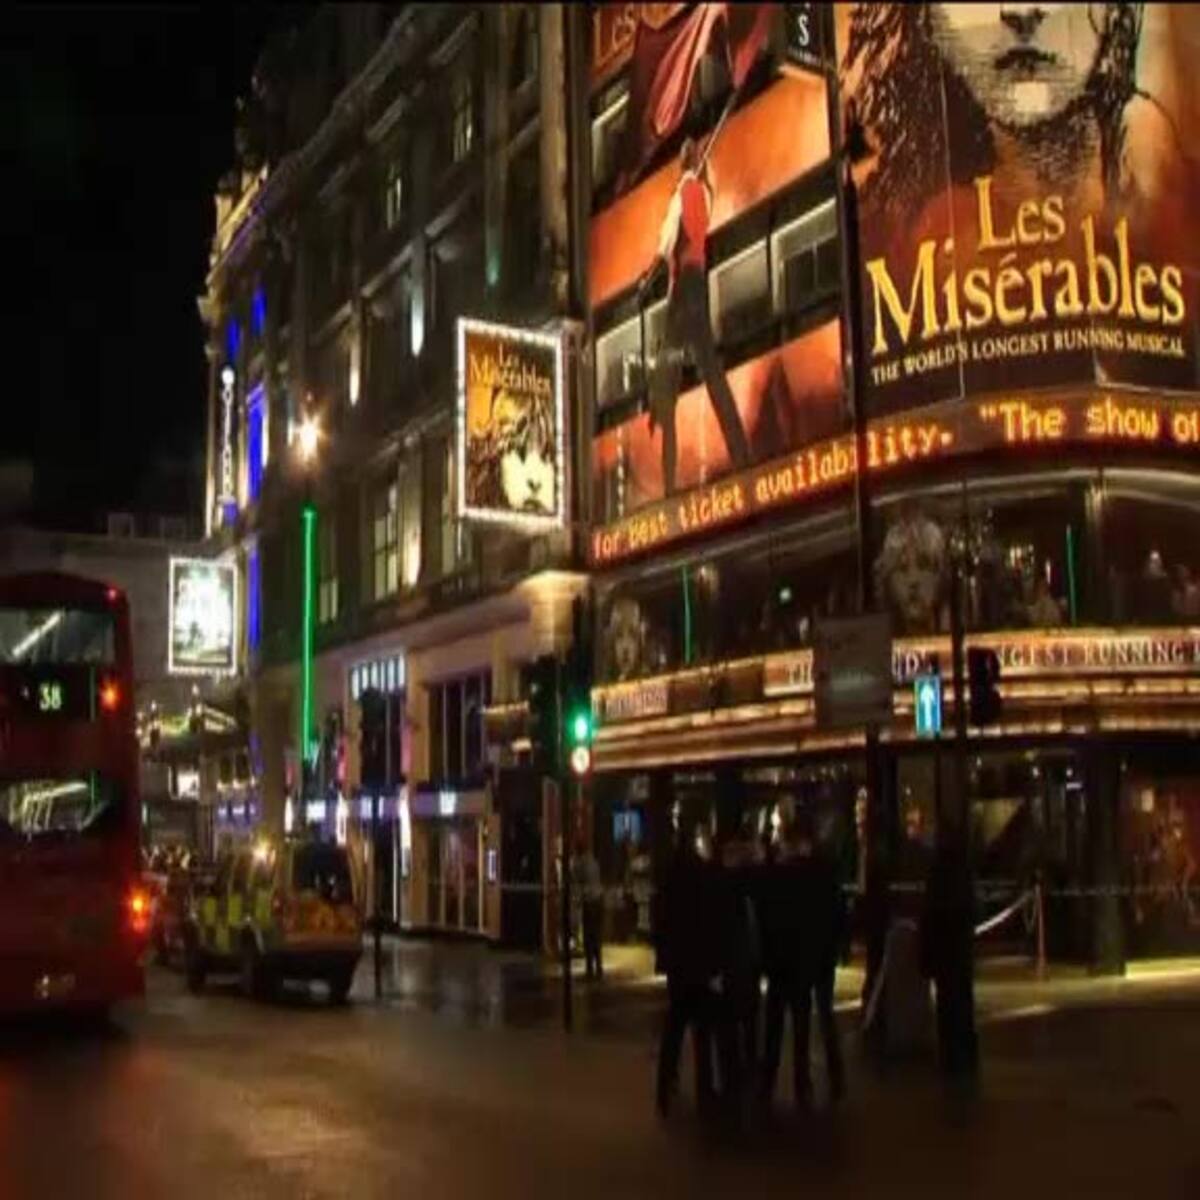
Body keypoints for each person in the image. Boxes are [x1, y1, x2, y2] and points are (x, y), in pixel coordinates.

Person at [639, 136, 750, 497]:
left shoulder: (684, 191)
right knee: (709, 369)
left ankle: (669, 478)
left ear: (683, 162)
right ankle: (741, 453)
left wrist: (648, 275)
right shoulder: (704, 193)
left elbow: (666, 241)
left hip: (683, 290)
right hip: (696, 284)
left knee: (668, 370)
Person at [656, 822, 718, 1118]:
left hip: (677, 963)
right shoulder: (703, 875)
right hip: (698, 961)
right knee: (702, 1030)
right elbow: (707, 920)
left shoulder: (669, 874)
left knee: (675, 1026)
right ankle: (705, 1088)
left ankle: (665, 1083)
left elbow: (662, 919)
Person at [576, 844, 605, 982]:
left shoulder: (581, 863)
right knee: (597, 935)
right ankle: (599, 966)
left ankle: (590, 969)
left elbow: (576, 879)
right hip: (598, 900)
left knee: (589, 936)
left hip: (589, 902)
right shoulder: (595, 862)